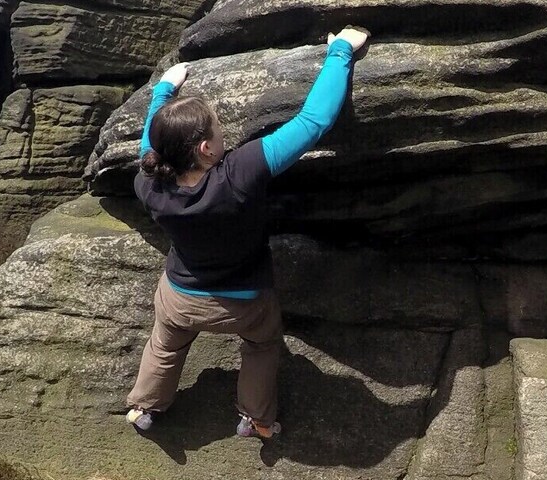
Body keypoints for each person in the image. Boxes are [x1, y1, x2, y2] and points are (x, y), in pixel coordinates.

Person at [124, 27, 369, 439]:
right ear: (206, 149)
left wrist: (162, 92)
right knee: (261, 346)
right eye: (218, 130)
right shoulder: (240, 172)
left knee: (164, 346)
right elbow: (314, 121)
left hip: (180, 299)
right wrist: (340, 51)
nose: (225, 135)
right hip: (245, 305)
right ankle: (256, 418)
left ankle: (145, 408)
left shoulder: (148, 184)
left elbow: (148, 145)